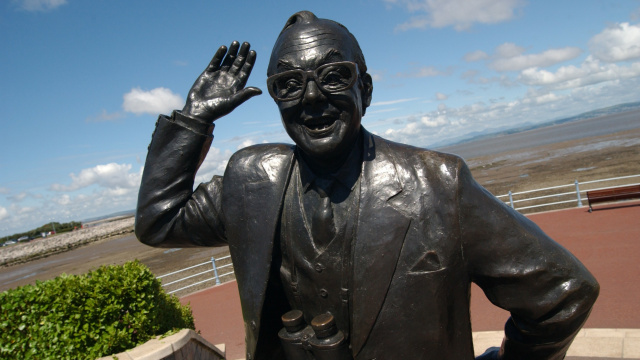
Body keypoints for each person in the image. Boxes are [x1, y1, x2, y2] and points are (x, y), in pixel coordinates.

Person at [136, 11, 599, 360]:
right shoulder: (249, 180)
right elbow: (158, 221)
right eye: (290, 84)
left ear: (368, 90)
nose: (313, 98)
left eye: (335, 76)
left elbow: (563, 292)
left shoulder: (438, 185)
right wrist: (194, 119)